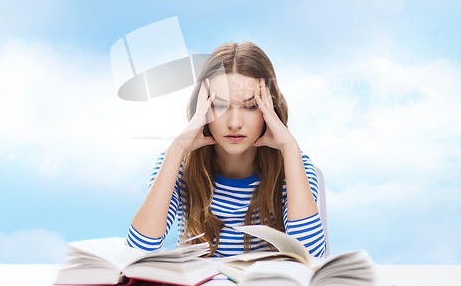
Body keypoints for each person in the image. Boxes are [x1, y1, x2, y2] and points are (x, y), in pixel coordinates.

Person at [126, 41, 326, 258]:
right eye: (219, 105)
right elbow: (137, 253)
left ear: (270, 108)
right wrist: (176, 150)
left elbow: (311, 258)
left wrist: (289, 148)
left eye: (250, 106)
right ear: (201, 108)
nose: (234, 123)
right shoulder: (179, 164)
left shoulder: (295, 166)